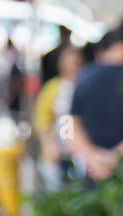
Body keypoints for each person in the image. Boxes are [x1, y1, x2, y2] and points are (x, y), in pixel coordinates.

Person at [68, 16, 123, 181]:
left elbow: (68, 125)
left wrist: (91, 157)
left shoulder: (84, 76)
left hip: (91, 176)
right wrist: (115, 157)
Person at [33, 43, 83, 188]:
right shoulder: (52, 88)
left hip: (79, 154)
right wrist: (50, 144)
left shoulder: (84, 85)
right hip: (57, 155)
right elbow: (42, 120)